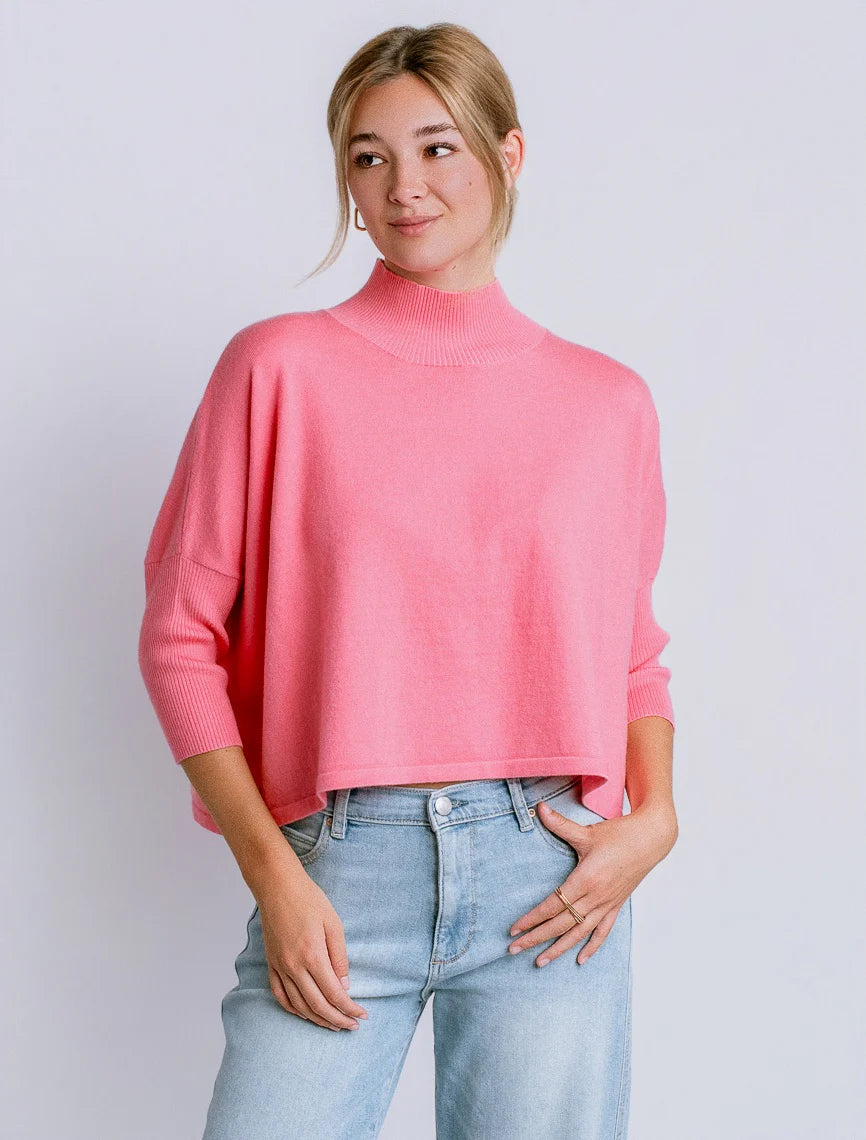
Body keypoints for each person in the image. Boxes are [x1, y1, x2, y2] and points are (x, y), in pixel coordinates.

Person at [138, 21, 679, 1140]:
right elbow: (180, 639)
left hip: (553, 876)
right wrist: (276, 878)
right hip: (340, 869)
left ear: (507, 153)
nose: (403, 186)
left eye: (437, 148)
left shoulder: (606, 403)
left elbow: (631, 652)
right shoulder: (276, 369)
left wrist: (656, 816)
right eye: (369, 156)